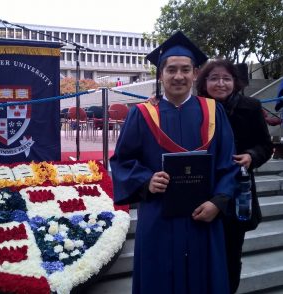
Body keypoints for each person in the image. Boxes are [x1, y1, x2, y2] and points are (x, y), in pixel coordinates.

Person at [110, 31, 239, 294]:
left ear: (194, 73)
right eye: (171, 70)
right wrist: (146, 180)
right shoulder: (142, 115)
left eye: (185, 69)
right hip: (159, 216)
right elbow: (122, 161)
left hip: (203, 217)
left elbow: (229, 164)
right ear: (160, 75)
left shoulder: (214, 112)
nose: (178, 76)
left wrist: (219, 202)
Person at [196, 59, 273, 293]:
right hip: (202, 191)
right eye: (214, 78)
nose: (221, 83)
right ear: (204, 82)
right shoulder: (196, 107)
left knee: (231, 255)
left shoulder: (250, 107)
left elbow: (265, 146)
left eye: (226, 78)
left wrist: (251, 155)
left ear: (235, 82)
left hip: (237, 193)